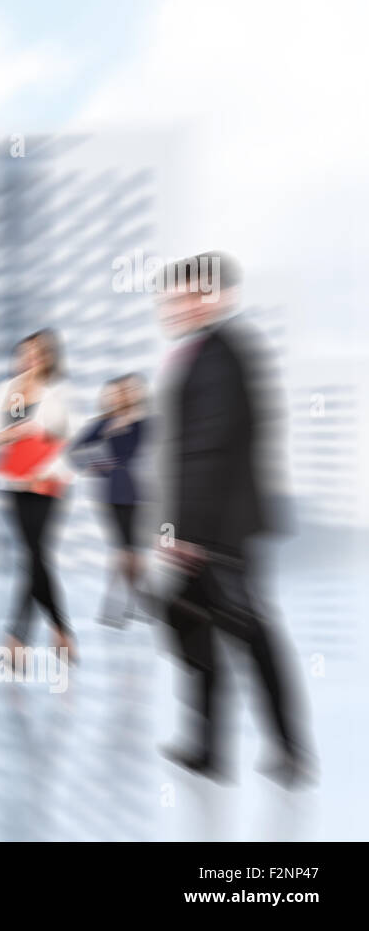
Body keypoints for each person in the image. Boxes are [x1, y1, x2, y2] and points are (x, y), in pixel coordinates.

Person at [154, 251, 313, 787]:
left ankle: (288, 751)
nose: (171, 307)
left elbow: (209, 449)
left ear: (212, 296)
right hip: (212, 524)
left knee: (249, 632)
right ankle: (211, 748)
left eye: (181, 296)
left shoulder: (221, 354)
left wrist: (188, 534)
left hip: (218, 529)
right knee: (191, 622)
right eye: (169, 297)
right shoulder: (212, 351)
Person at [0, 329, 75, 666]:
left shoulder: (60, 391)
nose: (30, 359)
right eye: (24, 353)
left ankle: (16, 642)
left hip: (47, 483)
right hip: (14, 483)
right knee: (34, 557)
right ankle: (60, 633)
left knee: (35, 556)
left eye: (38, 353)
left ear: (49, 357)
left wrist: (44, 472)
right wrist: (13, 432)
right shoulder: (3, 392)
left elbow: (69, 440)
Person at [69, 375, 148, 627]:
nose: (121, 397)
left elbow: (155, 451)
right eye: (115, 393)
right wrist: (103, 463)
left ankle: (129, 604)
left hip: (144, 493)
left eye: (126, 392)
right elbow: (75, 454)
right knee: (124, 549)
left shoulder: (145, 422)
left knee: (133, 550)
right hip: (114, 493)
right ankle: (118, 606)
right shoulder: (103, 424)